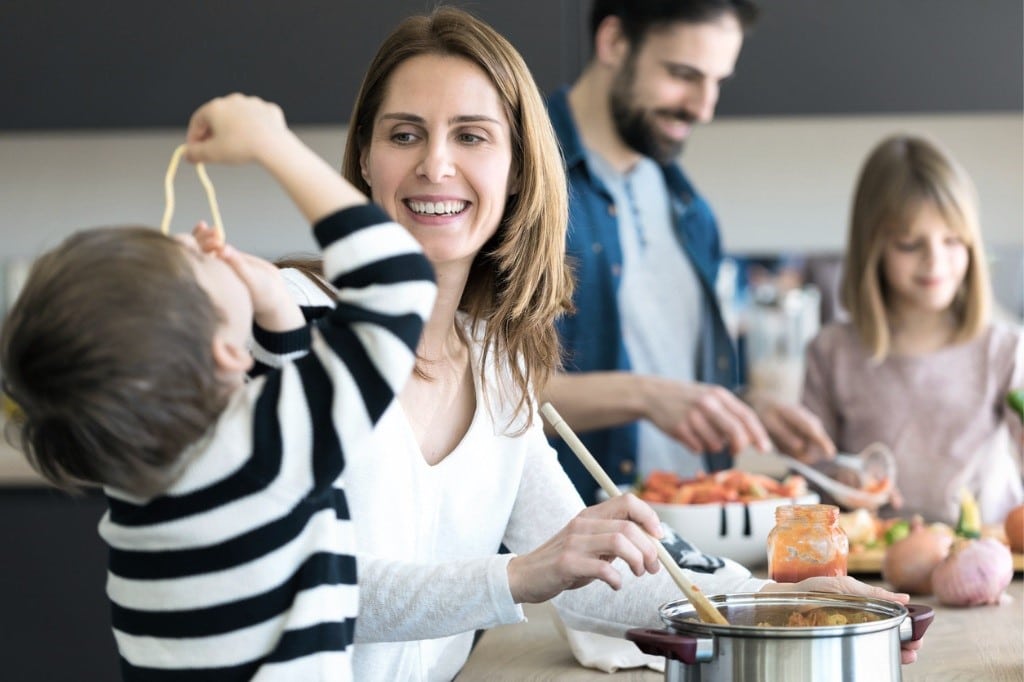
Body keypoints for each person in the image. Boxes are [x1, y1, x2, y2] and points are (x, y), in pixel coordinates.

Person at [276, 7, 922, 678]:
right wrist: (519, 575)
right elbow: (288, 581)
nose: (436, 164)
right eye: (405, 134)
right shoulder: (292, 325)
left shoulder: (499, 369)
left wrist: (778, 603)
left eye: (471, 136)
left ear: (519, 170)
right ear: (364, 157)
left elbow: (593, 571)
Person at [0, 94, 437, 680]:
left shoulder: (141, 479)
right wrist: (272, 145)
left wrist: (279, 318)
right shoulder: (264, 456)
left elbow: (255, 421)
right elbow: (399, 281)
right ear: (226, 353)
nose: (200, 237)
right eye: (196, 263)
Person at [541, 0, 836, 503]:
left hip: (687, 542)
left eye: (717, 81)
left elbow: (676, 378)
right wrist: (647, 396)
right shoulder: (520, 183)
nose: (703, 108)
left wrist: (745, 404)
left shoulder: (690, 210)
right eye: (683, 74)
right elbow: (484, 397)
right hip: (577, 549)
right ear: (613, 42)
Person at [801, 134, 1024, 526]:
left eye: (953, 240)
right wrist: (839, 479)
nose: (935, 262)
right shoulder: (832, 352)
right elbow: (809, 474)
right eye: (909, 244)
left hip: (986, 557)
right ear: (873, 248)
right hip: (873, 566)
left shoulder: (1004, 349)